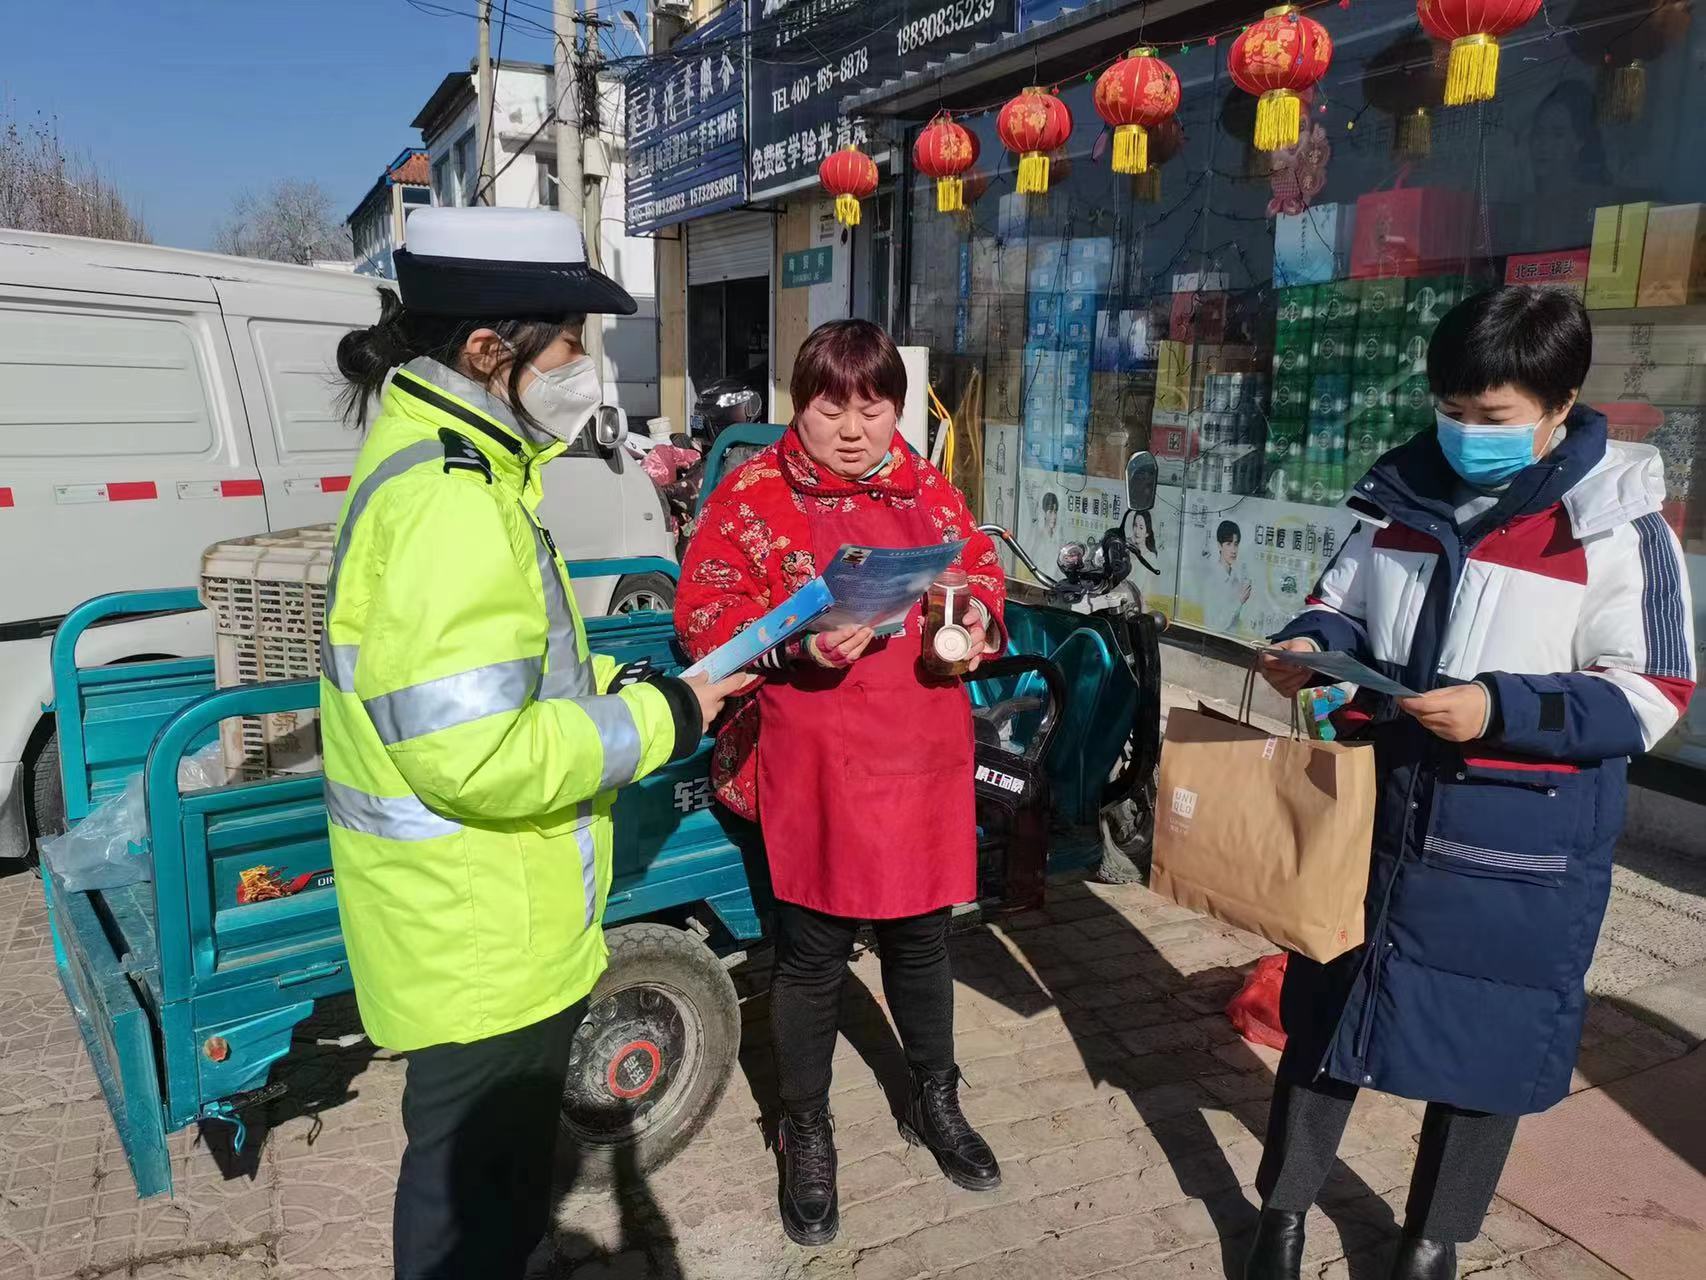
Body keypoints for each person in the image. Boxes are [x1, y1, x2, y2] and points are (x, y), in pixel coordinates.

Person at [322, 206, 751, 1280]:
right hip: (482, 939)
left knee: (487, 1195)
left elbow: (507, 677)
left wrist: (623, 686)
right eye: (568, 344)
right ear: (486, 349)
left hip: (473, 923)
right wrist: (666, 719)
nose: (583, 370)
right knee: (471, 1209)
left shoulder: (461, 468)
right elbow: (476, 752)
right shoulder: (452, 504)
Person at [1251, 287, 1695, 1280]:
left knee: (1486, 1049)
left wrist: (1498, 707)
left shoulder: (1616, 528)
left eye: (1491, 415)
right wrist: (1309, 645)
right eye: (1449, 408)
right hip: (1376, 815)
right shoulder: (1398, 492)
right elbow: (1338, 603)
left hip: (1517, 843)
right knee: (1324, 1022)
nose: (1463, 433)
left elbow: (1653, 692)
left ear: (1560, 403)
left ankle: (1432, 1238)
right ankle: (1279, 1213)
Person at [674, 320, 1008, 1246]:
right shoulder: (752, 494)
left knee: (922, 938)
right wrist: (800, 646)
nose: (855, 430)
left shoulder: (925, 486)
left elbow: (980, 573)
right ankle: (805, 1129)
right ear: (800, 405)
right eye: (832, 408)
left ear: (896, 408)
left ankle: (935, 1098)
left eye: (874, 407)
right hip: (811, 756)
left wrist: (973, 624)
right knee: (813, 952)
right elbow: (704, 615)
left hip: (919, 749)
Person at [1205, 518, 1253, 633]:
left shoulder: (1235, 576)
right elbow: (1214, 625)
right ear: (1219, 546)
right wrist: (1239, 601)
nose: (1233, 550)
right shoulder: (1213, 580)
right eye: (1228, 544)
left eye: (1236, 544)